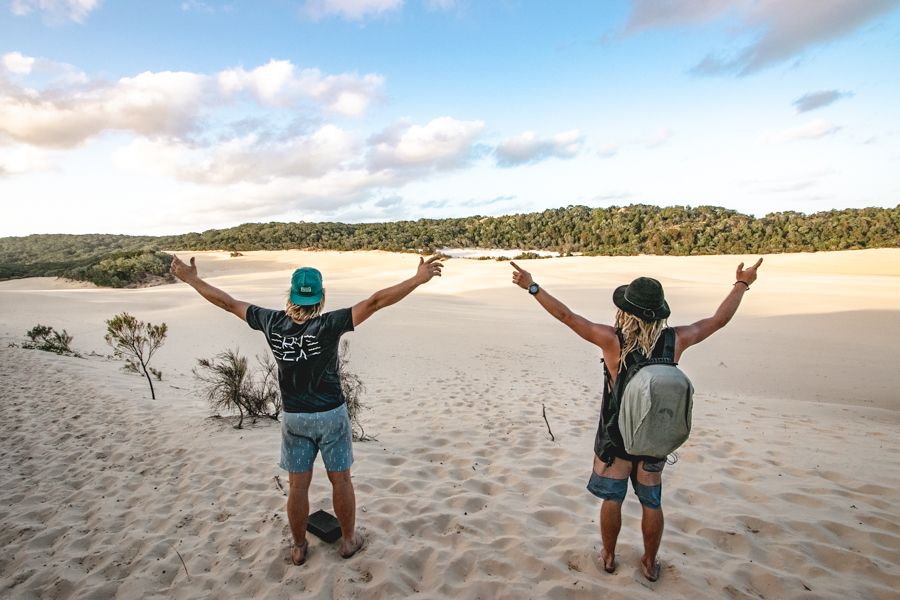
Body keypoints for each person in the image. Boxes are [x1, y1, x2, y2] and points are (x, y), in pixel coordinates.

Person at [171, 254, 444, 565]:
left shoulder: (270, 321)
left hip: (295, 418)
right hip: (331, 415)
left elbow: (228, 303)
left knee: (297, 486)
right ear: (321, 296)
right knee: (341, 480)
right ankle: (348, 541)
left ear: (290, 295)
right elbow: (376, 302)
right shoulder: (329, 324)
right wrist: (417, 279)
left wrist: (191, 279)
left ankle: (299, 547)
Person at [510, 258, 763, 582]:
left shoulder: (612, 341)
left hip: (616, 438)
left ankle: (609, 556)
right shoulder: (675, 340)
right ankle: (649, 562)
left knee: (612, 499)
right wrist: (742, 283)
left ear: (625, 311)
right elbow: (718, 320)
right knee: (651, 502)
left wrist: (532, 286)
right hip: (653, 438)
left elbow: (567, 316)